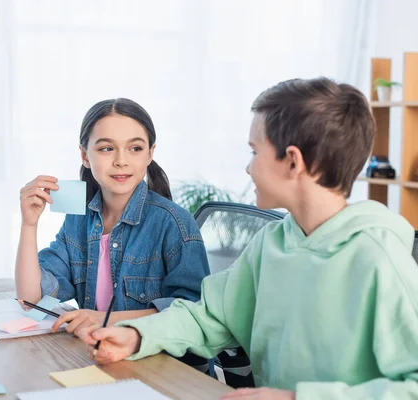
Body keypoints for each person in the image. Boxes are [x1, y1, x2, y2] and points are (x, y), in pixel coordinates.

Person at [84, 78, 418, 399]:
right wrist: (138, 335)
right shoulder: (271, 243)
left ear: (292, 161)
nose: (248, 169)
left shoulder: (377, 257)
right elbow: (209, 316)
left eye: (254, 151)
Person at [15, 98, 210, 341]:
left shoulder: (173, 223)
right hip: (99, 354)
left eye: (135, 148)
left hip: (160, 364)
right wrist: (29, 225)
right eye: (107, 148)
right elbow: (31, 301)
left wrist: (105, 320)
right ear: (85, 156)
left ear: (150, 154)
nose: (121, 160)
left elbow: (194, 313)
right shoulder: (78, 218)